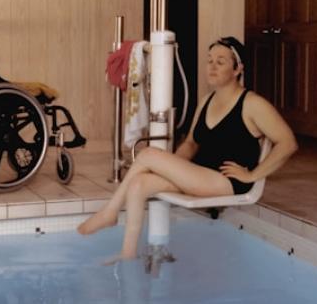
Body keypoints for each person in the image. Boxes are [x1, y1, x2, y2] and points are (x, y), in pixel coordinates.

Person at [77, 36, 298, 260]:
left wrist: (252, 175)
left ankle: (110, 212)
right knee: (138, 183)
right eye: (209, 60)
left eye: (220, 62)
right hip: (200, 174)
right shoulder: (206, 101)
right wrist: (171, 166)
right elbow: (192, 143)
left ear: (238, 68)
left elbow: (288, 143)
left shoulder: (252, 104)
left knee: (149, 154)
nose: (212, 66)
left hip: (226, 181)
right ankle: (127, 253)